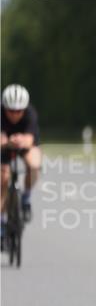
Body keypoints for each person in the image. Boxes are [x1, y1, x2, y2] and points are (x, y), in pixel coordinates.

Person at [1, 84, 41, 232]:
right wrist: (7, 142)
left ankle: (26, 198)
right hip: (4, 146)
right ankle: (1, 220)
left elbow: (30, 139)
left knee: (34, 165)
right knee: (3, 178)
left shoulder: (30, 113)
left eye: (19, 111)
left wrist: (21, 140)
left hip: (24, 144)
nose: (14, 114)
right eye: (10, 111)